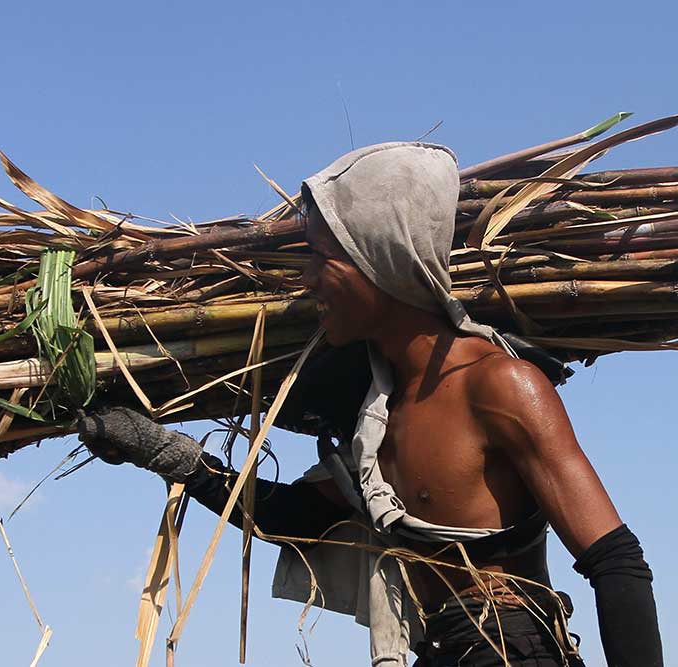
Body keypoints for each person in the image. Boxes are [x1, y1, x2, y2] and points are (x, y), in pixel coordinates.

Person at [76, 142, 663, 667]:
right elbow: (292, 519)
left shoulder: (501, 385)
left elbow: (616, 563)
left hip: (515, 653)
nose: (307, 280)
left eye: (320, 258)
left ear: (378, 262)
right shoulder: (373, 415)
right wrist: (167, 454)